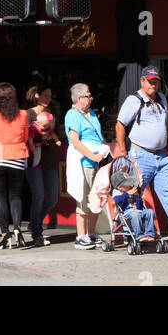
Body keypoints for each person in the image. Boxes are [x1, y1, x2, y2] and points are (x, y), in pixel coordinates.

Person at [115, 66, 168, 247]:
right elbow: (120, 125)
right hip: (140, 154)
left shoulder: (161, 98)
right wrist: (122, 152)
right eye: (150, 80)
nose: (153, 84)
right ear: (142, 81)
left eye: (156, 81)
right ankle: (130, 230)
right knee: (132, 192)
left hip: (162, 155)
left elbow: (166, 125)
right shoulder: (133, 100)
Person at [0, 81, 31, 249]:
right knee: (16, 196)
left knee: (1, 197)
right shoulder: (23, 114)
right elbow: (25, 137)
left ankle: (5, 234)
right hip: (17, 156)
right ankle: (17, 227)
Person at [64, 83, 110, 249]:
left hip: (98, 161)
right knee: (83, 199)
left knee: (97, 198)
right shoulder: (72, 114)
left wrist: (105, 152)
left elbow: (98, 135)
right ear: (79, 98)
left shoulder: (90, 113)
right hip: (85, 162)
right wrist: (93, 156)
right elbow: (75, 141)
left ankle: (91, 233)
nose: (91, 99)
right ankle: (81, 236)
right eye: (88, 96)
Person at [25, 83, 61, 246]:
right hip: (34, 160)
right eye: (45, 95)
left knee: (52, 197)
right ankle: (37, 233)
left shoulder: (51, 113)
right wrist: (37, 140)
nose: (48, 99)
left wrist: (53, 137)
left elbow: (54, 132)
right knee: (38, 196)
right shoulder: (29, 113)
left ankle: (34, 222)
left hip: (50, 158)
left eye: (50, 96)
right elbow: (25, 136)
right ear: (37, 95)